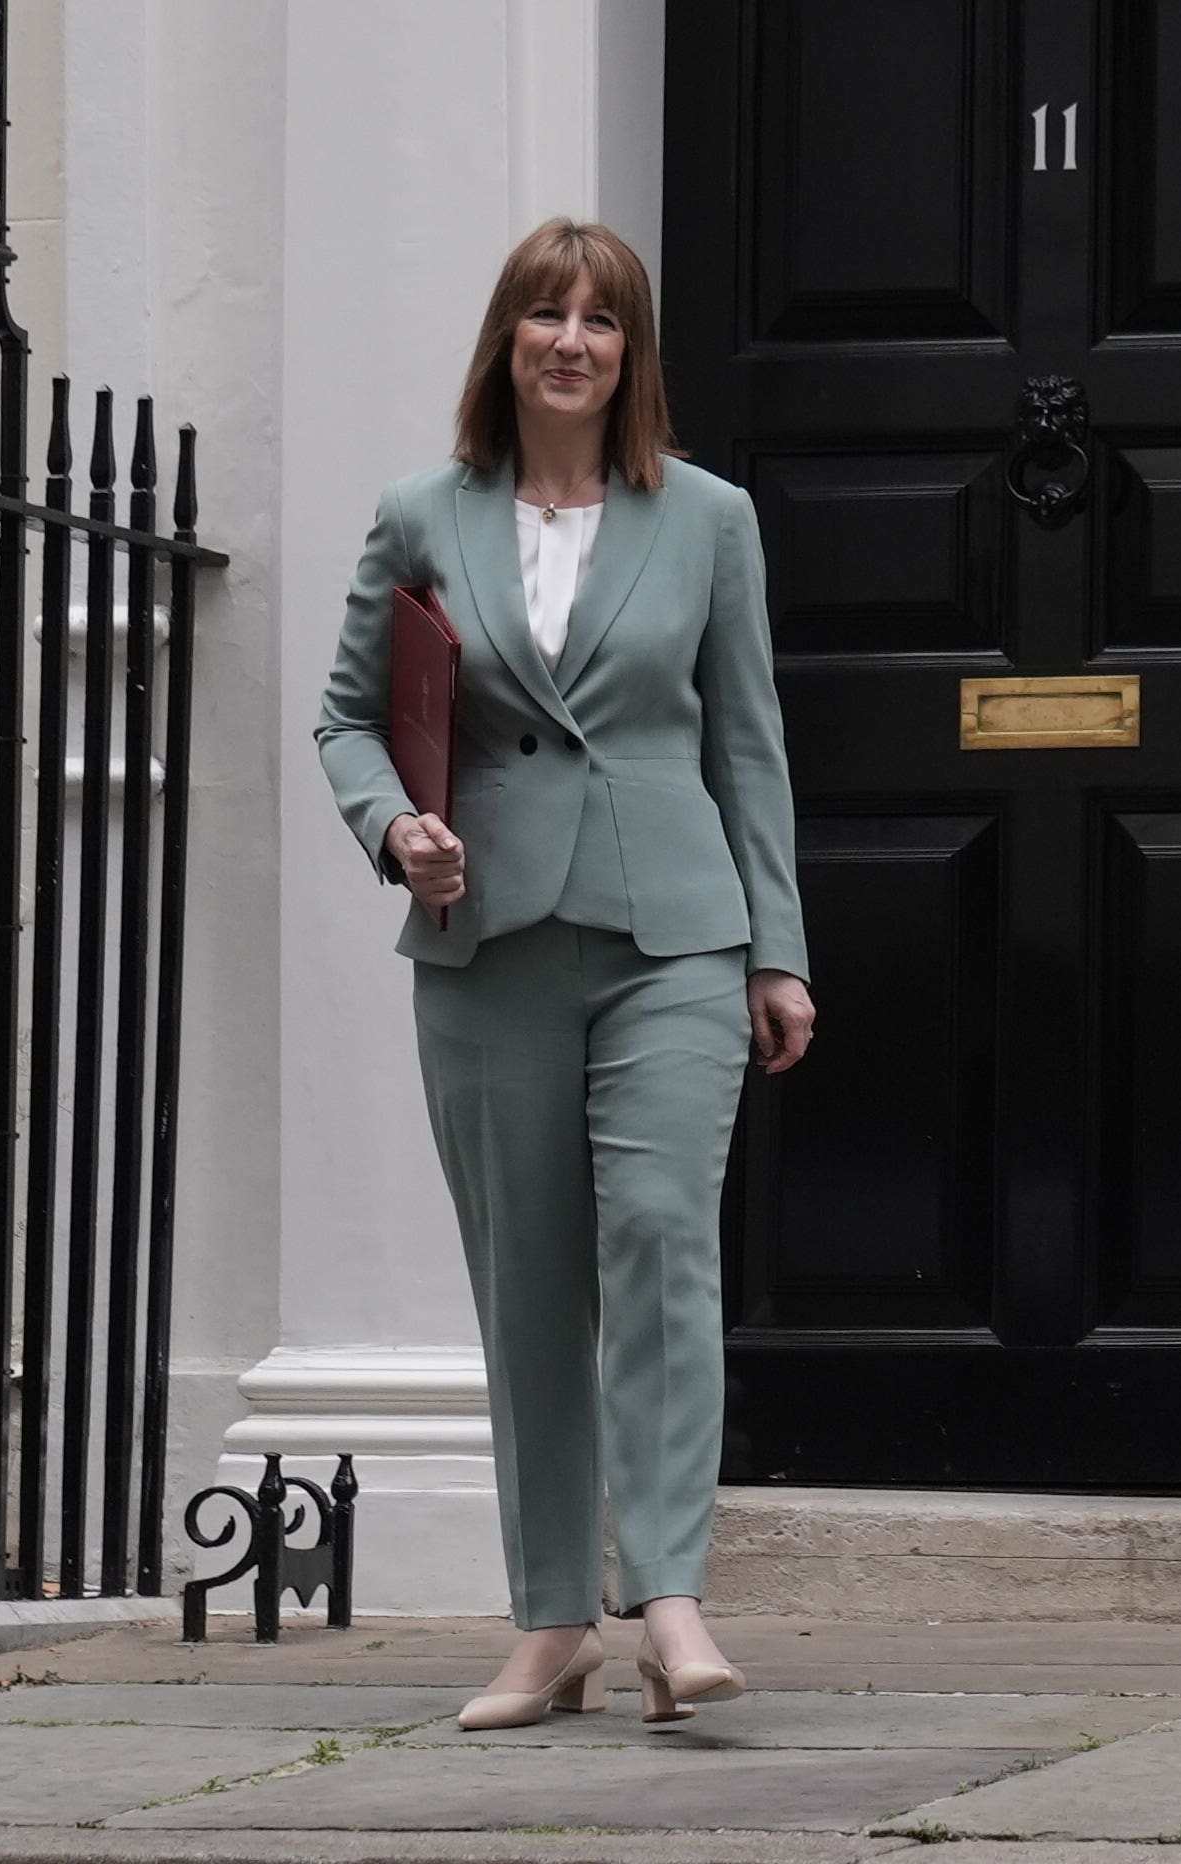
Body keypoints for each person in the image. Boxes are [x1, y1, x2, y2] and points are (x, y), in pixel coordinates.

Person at [314, 218, 816, 1730]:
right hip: (485, 945)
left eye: (602, 318)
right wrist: (395, 824)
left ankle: (666, 1593)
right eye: (547, 313)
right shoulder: (422, 515)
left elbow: (749, 743)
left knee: (661, 1238)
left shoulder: (708, 517)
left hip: (675, 932)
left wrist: (778, 948)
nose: (573, 340)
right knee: (526, 1279)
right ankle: (549, 1622)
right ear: (507, 342)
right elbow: (348, 716)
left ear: (631, 352)